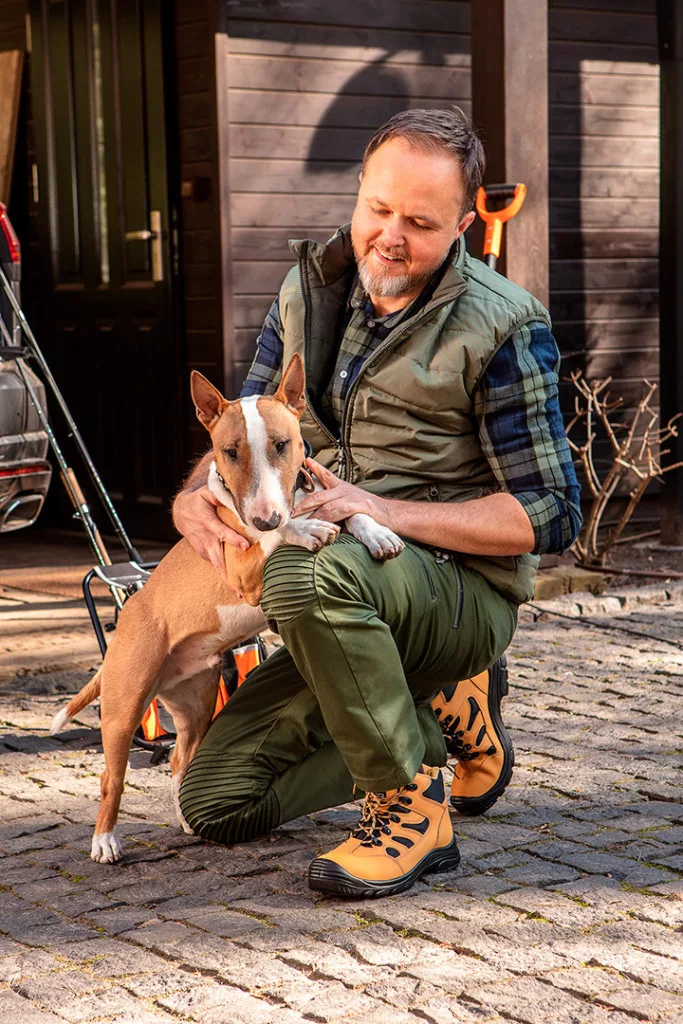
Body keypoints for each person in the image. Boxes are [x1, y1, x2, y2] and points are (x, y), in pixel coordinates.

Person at [174, 108, 581, 898]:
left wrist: (384, 511)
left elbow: (549, 512)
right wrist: (194, 495)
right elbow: (248, 426)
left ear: (461, 226)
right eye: (378, 209)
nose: (390, 236)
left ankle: (409, 800)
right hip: (348, 591)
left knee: (300, 572)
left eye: (420, 223)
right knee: (216, 802)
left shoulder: (503, 324)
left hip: (454, 588)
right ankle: (432, 703)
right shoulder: (304, 290)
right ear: (358, 191)